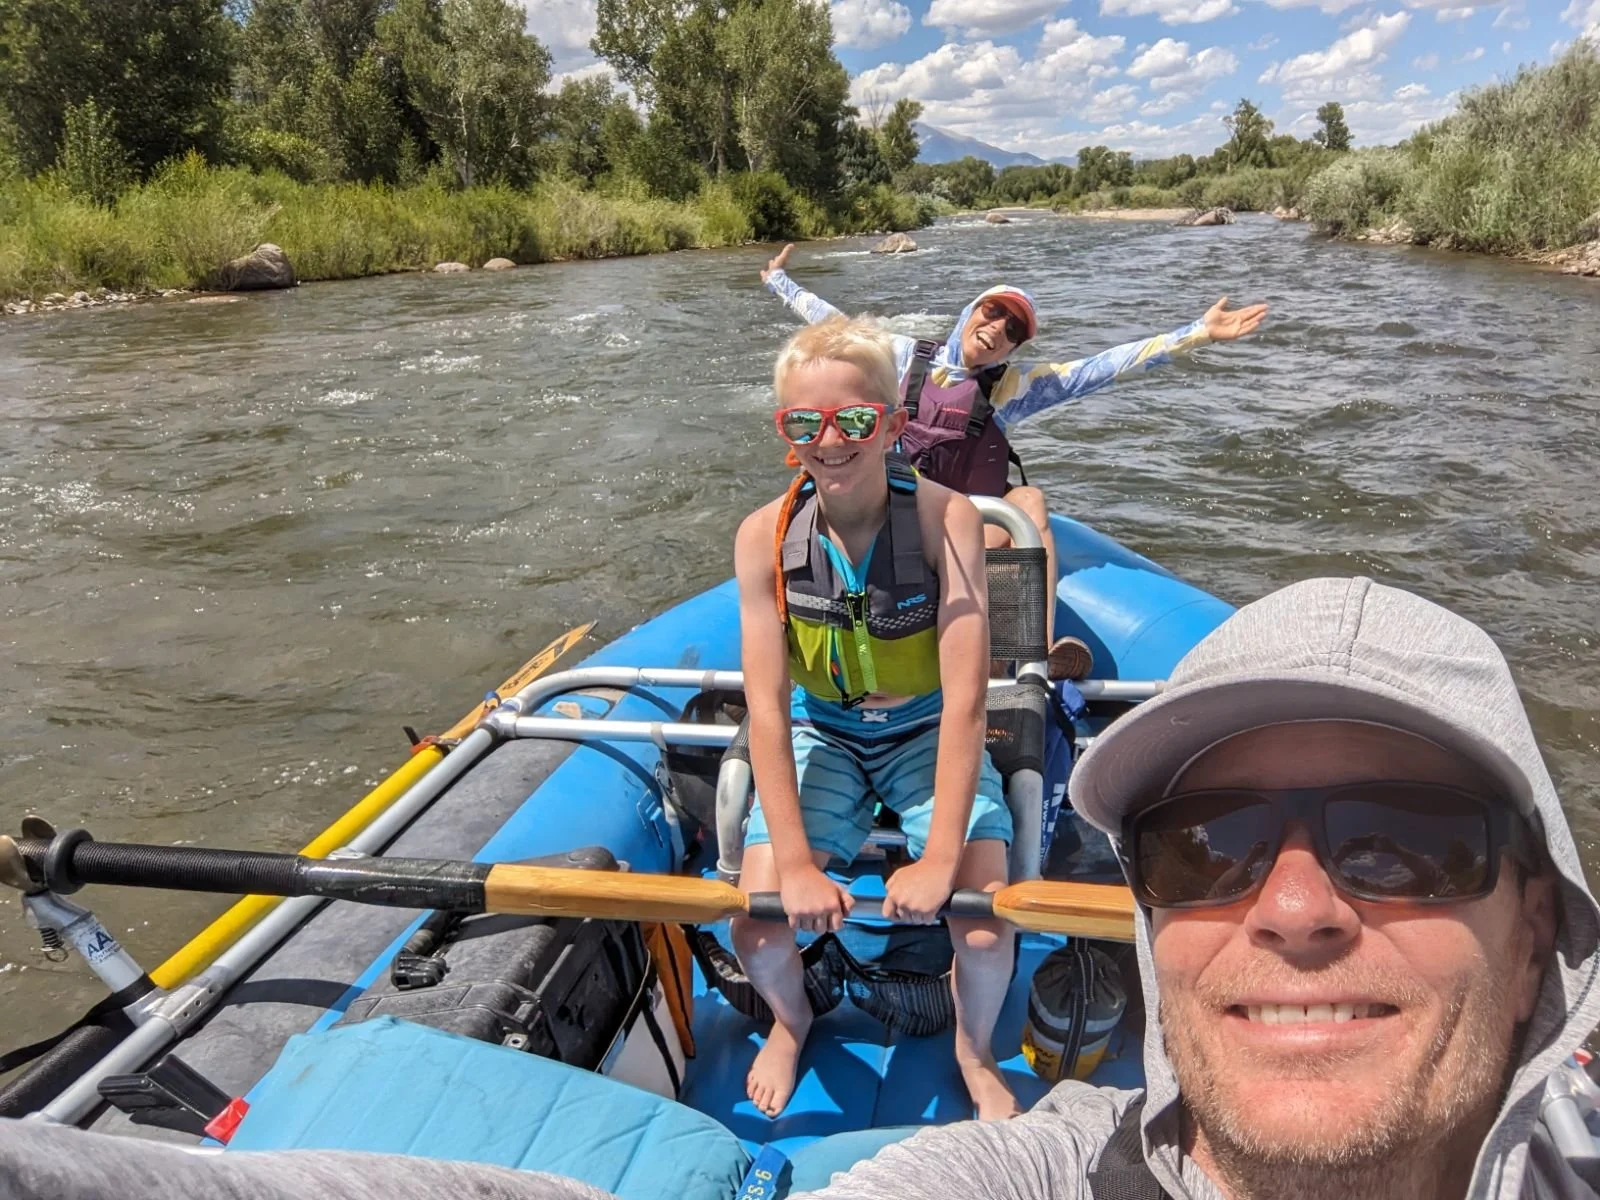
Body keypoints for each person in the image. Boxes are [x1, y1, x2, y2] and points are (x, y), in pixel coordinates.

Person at [788, 575, 1600, 1200]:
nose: (1293, 910)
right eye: (1203, 848)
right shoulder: (1037, 1172)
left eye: (1404, 844)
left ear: (1533, 937)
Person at [730, 316, 1018, 1120]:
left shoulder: (945, 518)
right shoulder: (763, 538)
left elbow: (966, 703)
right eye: (805, 423)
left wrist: (937, 859)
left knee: (985, 930)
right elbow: (765, 711)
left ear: (891, 426)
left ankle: (974, 1049)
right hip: (824, 729)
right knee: (756, 932)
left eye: (854, 420)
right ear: (785, 433)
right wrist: (792, 863)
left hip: (927, 727)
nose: (831, 441)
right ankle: (791, 1025)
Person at [760, 244, 1269, 680]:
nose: (997, 327)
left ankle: (1033, 653)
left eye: (1012, 328)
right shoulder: (900, 356)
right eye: (992, 312)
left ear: (1014, 345)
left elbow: (1099, 369)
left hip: (970, 514)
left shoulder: (1011, 388)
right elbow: (832, 324)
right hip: (902, 509)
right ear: (972, 311)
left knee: (1026, 501)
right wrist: (778, 279)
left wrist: (1197, 332)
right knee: (983, 534)